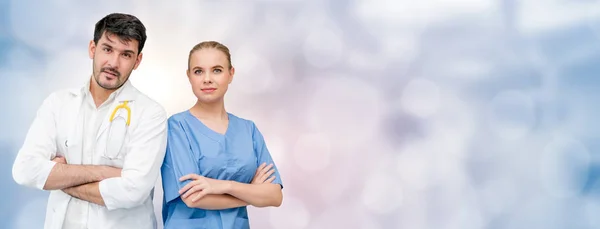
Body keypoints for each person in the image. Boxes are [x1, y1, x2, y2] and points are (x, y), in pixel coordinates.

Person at [11, 13, 167, 229]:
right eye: (107, 49)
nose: (113, 62)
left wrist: (60, 180)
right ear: (92, 48)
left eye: (126, 54)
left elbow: (133, 191)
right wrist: (102, 172)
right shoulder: (58, 104)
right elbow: (24, 170)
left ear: (137, 61)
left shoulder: (150, 114)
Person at [161, 41, 284, 229]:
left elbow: (275, 196)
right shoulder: (177, 127)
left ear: (231, 74)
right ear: (189, 76)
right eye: (198, 71)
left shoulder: (248, 130)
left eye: (217, 70)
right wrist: (251, 193)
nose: (207, 79)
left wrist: (225, 186)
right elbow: (193, 197)